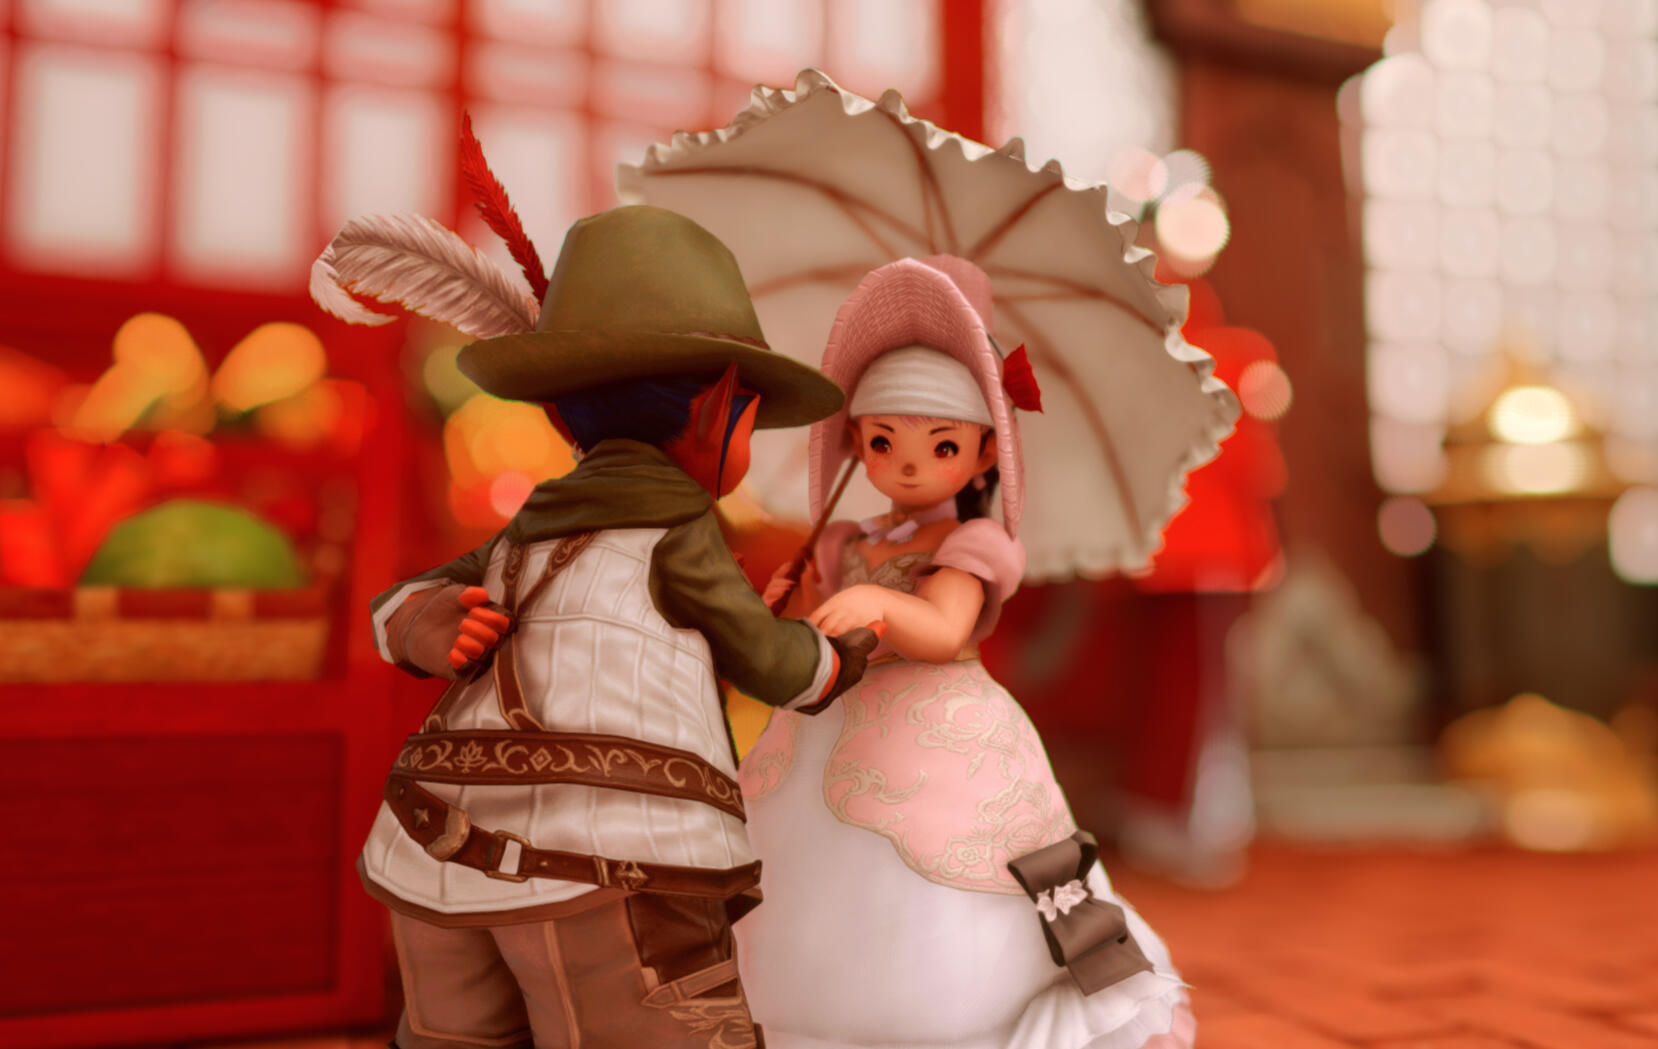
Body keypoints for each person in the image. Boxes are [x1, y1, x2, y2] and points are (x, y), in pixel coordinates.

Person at [362, 205, 877, 1049]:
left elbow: (400, 600)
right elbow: (775, 666)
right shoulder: (681, 526)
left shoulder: (526, 530)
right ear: (719, 408)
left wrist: (427, 624)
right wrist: (840, 653)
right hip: (608, 865)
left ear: (563, 420)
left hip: (434, 845)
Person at [741, 256, 1195, 1049]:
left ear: (985, 454)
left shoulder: (970, 543)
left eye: (941, 445)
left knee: (950, 866)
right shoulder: (847, 539)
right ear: (856, 443)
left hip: (936, 729)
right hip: (833, 725)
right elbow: (825, 627)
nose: (909, 464)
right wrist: (799, 599)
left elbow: (945, 630)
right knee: (807, 868)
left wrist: (882, 603)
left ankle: (950, 1013)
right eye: (884, 441)